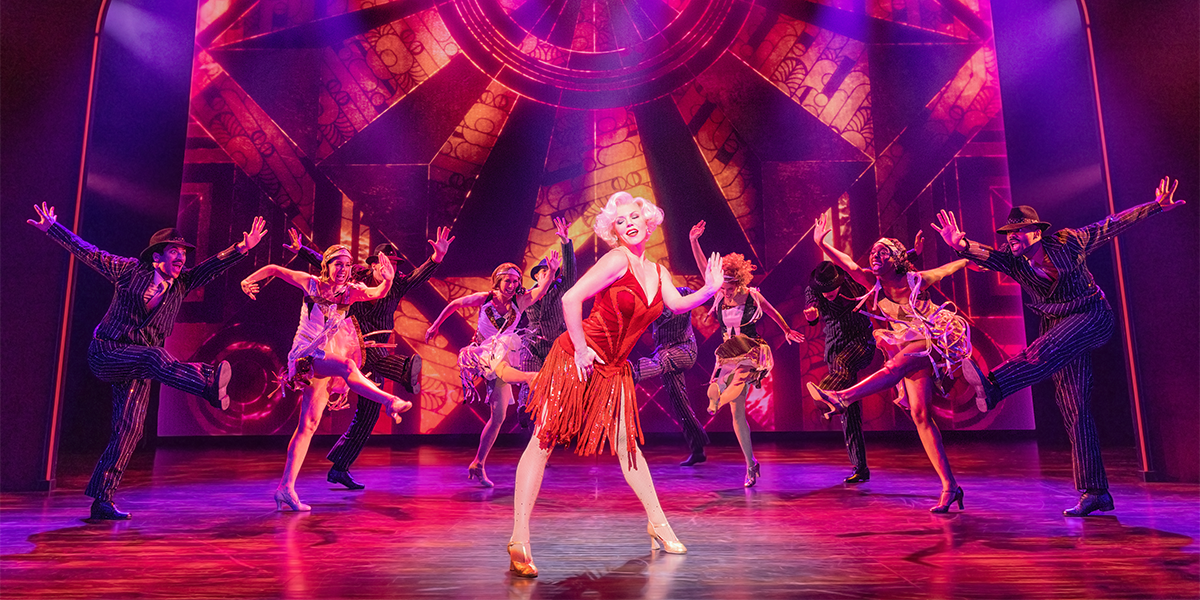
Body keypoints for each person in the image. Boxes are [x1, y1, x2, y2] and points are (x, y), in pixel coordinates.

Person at [932, 176, 1186, 517]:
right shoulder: (1012, 259)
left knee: (1045, 349)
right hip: (1056, 323)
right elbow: (987, 255)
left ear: (1037, 232)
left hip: (1091, 315)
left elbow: (1110, 225)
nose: (1012, 238)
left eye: (1018, 231)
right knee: (1074, 408)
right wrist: (962, 244)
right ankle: (1096, 492)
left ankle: (994, 386)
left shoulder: (1068, 242)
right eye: (1008, 233)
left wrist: (1155, 206)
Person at [505, 191, 723, 578]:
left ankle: (659, 524)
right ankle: (518, 538)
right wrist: (580, 350)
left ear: (648, 221)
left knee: (628, 447)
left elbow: (676, 305)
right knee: (543, 439)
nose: (628, 223)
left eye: (633, 216)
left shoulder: (658, 272)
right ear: (615, 231)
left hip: (614, 369)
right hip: (577, 358)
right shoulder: (616, 260)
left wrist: (709, 289)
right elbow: (570, 299)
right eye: (620, 221)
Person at [28, 203, 266, 520]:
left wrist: (242, 248)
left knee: (130, 430)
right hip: (108, 352)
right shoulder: (130, 271)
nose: (181, 257)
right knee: (155, 356)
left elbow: (210, 268)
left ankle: (101, 500)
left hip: (140, 364)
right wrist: (53, 228)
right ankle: (207, 382)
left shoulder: (182, 284)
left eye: (183, 253)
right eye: (174, 252)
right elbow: (91, 254)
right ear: (156, 257)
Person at [806, 213, 973, 513]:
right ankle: (951, 486)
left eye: (882, 252)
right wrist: (823, 245)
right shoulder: (873, 283)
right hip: (909, 347)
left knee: (895, 366)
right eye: (872, 252)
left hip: (935, 338)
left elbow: (948, 268)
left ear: (896, 259)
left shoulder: (915, 280)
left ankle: (842, 397)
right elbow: (849, 265)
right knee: (921, 415)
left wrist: (969, 255)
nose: (874, 255)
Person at [240, 245, 414, 511]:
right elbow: (275, 269)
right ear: (327, 265)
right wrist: (248, 280)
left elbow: (377, 292)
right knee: (347, 366)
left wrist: (388, 280)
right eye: (338, 264)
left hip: (324, 355)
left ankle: (285, 488)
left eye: (347, 265)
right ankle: (389, 401)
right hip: (305, 354)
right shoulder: (311, 283)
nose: (343, 269)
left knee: (308, 425)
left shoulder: (350, 292)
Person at [288, 227, 454, 489]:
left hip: (378, 347)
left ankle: (340, 467)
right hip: (352, 345)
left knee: (369, 413)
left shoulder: (396, 284)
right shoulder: (356, 279)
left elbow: (417, 277)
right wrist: (301, 251)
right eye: (386, 263)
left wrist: (437, 258)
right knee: (376, 359)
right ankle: (403, 370)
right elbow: (327, 262)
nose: (391, 268)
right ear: (374, 264)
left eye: (395, 265)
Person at [424, 257, 558, 488]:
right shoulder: (485, 299)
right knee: (500, 365)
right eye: (508, 280)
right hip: (483, 352)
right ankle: (530, 377)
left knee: (498, 417)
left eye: (516, 281)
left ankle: (478, 463)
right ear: (498, 281)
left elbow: (541, 290)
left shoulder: (520, 301)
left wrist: (552, 272)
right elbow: (455, 304)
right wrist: (435, 325)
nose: (512, 285)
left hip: (504, 353)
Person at [689, 221, 804, 487]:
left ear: (739, 282)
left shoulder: (753, 296)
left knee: (738, 381)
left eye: (730, 288)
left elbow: (773, 313)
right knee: (737, 414)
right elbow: (705, 269)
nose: (726, 292)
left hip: (751, 350)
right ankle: (751, 464)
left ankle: (715, 401)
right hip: (728, 354)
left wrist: (787, 331)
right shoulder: (719, 296)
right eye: (723, 287)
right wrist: (694, 241)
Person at [803, 261, 877, 484]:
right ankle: (860, 468)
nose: (828, 294)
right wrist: (811, 316)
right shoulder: (814, 290)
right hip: (835, 348)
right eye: (824, 290)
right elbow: (812, 308)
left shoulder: (854, 285)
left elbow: (886, 281)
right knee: (850, 413)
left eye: (831, 289)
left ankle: (827, 393)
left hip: (860, 343)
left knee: (843, 364)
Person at [629, 285, 709, 467]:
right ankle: (697, 449)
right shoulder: (651, 302)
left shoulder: (683, 293)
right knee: (679, 403)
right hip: (663, 356)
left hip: (685, 350)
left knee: (663, 358)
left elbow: (706, 295)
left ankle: (633, 374)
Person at [516, 216, 577, 429]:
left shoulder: (561, 288)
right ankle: (525, 408)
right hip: (532, 345)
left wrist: (565, 243)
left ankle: (554, 424)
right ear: (535, 277)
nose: (545, 274)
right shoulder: (527, 293)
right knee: (530, 378)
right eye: (541, 272)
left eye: (548, 271)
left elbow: (570, 271)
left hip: (555, 345)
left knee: (555, 389)